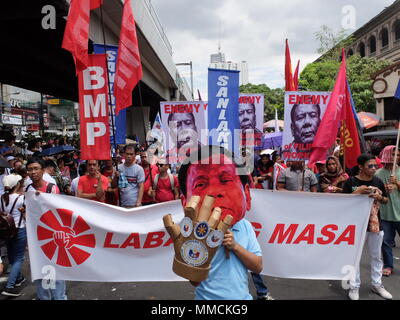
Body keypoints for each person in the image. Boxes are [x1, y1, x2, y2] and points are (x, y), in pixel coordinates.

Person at [178, 145, 263, 300]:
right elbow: (194, 282)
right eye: (200, 184)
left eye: (226, 180)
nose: (215, 192)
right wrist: (200, 247)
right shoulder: (190, 232)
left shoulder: (245, 227)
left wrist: (235, 246)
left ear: (247, 195)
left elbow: (257, 266)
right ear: (185, 202)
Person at [342, 154, 392, 300]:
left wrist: (379, 197)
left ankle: (377, 284)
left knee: (376, 256)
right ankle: (354, 286)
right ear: (361, 167)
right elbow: (342, 202)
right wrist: (357, 192)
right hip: (355, 224)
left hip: (375, 224)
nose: (374, 168)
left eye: (375, 165)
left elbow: (386, 201)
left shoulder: (378, 181)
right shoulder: (350, 182)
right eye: (370, 166)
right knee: (355, 257)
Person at [25, 157, 67, 300]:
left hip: (53, 236)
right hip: (35, 238)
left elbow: (57, 212)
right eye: (30, 169)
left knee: (56, 270)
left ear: (43, 171)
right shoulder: (28, 189)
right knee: (39, 269)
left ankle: (59, 297)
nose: (33, 172)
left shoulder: (51, 188)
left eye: (36, 168)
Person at [375, 146, 400, 277]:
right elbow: (374, 191)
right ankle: (388, 265)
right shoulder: (378, 174)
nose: (398, 156)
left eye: (398, 154)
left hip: (399, 213)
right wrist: (384, 188)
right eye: (395, 154)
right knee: (386, 241)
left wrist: (397, 183)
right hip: (384, 214)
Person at [0, 174, 26, 297]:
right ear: (17, 185)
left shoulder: (1, 198)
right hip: (19, 230)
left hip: (6, 230)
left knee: (11, 255)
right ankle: (10, 287)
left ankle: (18, 278)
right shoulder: (21, 199)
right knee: (19, 258)